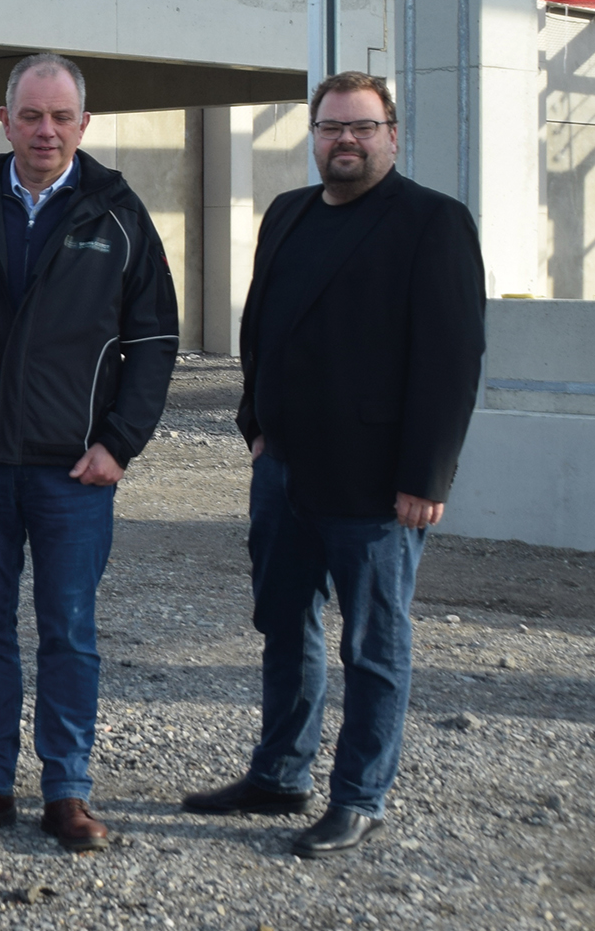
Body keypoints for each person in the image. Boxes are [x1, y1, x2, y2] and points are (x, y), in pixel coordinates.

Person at [180, 71, 485, 858]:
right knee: (283, 626)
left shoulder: (433, 222)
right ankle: (280, 775)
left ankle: (360, 796)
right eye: (331, 127)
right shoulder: (288, 213)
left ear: (392, 135)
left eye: (362, 127)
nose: (345, 140)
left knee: (373, 646)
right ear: (313, 136)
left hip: (377, 483)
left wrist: (427, 476)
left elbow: (452, 359)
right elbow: (260, 328)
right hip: (283, 471)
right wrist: (253, 426)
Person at [0, 53, 179, 853]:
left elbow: (154, 340)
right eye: (31, 115)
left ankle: (67, 791)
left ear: (84, 124)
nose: (46, 130)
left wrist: (120, 443)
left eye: (61, 117)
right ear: (4, 120)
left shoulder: (119, 214)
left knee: (69, 630)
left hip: (75, 471)